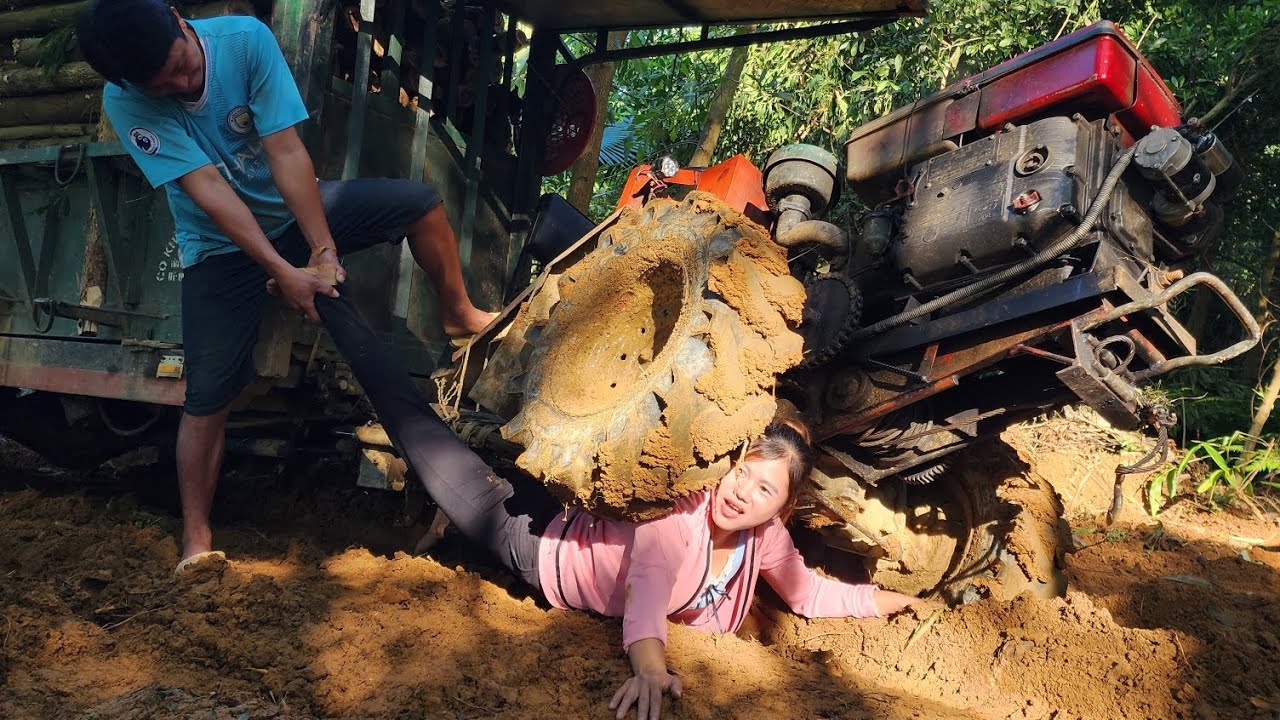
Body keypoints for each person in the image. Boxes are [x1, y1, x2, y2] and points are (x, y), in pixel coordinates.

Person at [310, 295, 928, 720]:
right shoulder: (679, 518)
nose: (742, 492)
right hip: (530, 541)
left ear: (781, 508)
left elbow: (809, 594)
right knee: (422, 436)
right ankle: (333, 304)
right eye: (741, 473)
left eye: (764, 490)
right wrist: (651, 671)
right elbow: (648, 601)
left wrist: (887, 601)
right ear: (726, 461)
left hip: (561, 524)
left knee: (461, 455)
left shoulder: (763, 540)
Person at [76, 0, 495, 571]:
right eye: (162, 84)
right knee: (206, 398)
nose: (179, 83)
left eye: (180, 64)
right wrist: (281, 272)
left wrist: (321, 254)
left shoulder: (244, 42)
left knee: (422, 206)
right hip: (219, 248)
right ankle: (197, 542)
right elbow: (206, 190)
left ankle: (460, 315)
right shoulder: (124, 99)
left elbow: (286, 150)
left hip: (294, 211)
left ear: (180, 20)